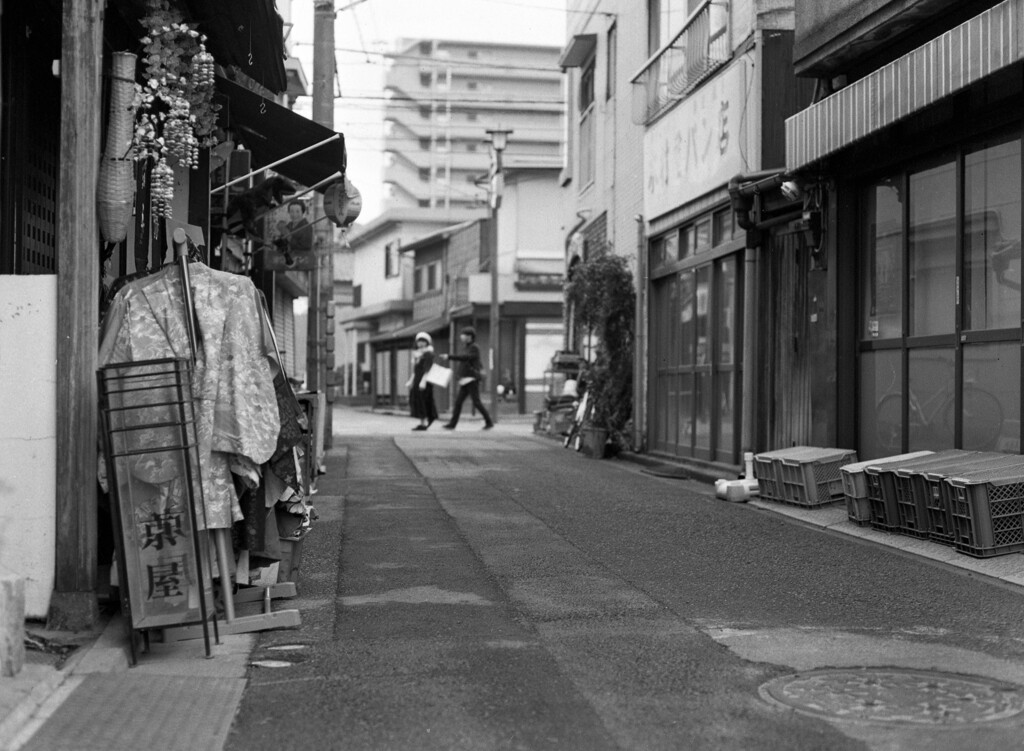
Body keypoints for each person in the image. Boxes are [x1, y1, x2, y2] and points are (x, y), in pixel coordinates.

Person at [440, 326, 493, 430]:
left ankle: (489, 422)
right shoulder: (466, 347)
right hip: (465, 380)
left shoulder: (474, 347)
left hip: (472, 379)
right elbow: (464, 361)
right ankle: (452, 424)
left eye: (464, 334)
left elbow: (465, 358)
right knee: (459, 402)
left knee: (476, 402)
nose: (461, 336)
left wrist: (449, 356)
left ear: (470, 337)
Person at [408, 332, 438, 430]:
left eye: (423, 341)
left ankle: (424, 423)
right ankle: (426, 420)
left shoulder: (428, 353)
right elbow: (414, 370)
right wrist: (411, 381)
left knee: (422, 401)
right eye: (419, 341)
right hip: (418, 379)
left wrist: (423, 381)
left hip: (424, 380)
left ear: (427, 342)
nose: (420, 343)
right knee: (419, 400)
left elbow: (427, 368)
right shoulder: (417, 354)